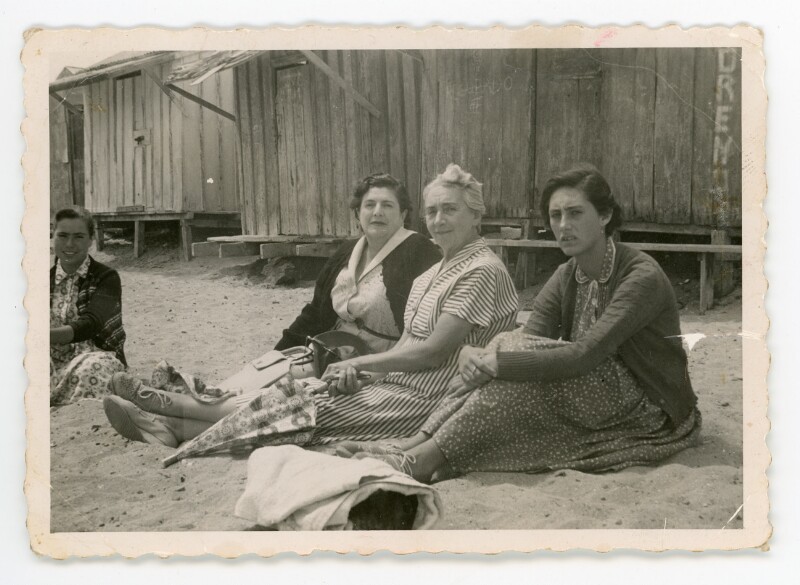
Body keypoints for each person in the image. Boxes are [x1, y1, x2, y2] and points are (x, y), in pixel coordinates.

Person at [103, 164, 517, 449]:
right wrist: (362, 373)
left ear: (476, 215)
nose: (439, 220)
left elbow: (433, 352)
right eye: (433, 211)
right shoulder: (437, 269)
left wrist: (362, 364)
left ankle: (166, 406)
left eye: (451, 210)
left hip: (426, 398)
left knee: (303, 407)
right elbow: (348, 323)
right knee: (301, 394)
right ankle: (171, 427)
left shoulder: (478, 270)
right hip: (390, 379)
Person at [342, 163, 702, 483]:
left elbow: (585, 355)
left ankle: (422, 457)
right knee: (505, 348)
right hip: (593, 386)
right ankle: (416, 443)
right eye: (556, 215)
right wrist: (478, 355)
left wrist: (495, 361)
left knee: (503, 356)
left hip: (647, 402)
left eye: (575, 213)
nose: (564, 225)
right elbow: (529, 338)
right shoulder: (568, 273)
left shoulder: (640, 276)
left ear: (605, 215)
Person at [50, 206, 126, 405]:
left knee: (93, 371)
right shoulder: (40, 279)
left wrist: (41, 336)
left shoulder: (106, 277)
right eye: (62, 235)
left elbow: (92, 323)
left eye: (79, 237)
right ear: (53, 236)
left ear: (91, 240)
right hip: (50, 361)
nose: (69, 244)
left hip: (94, 356)